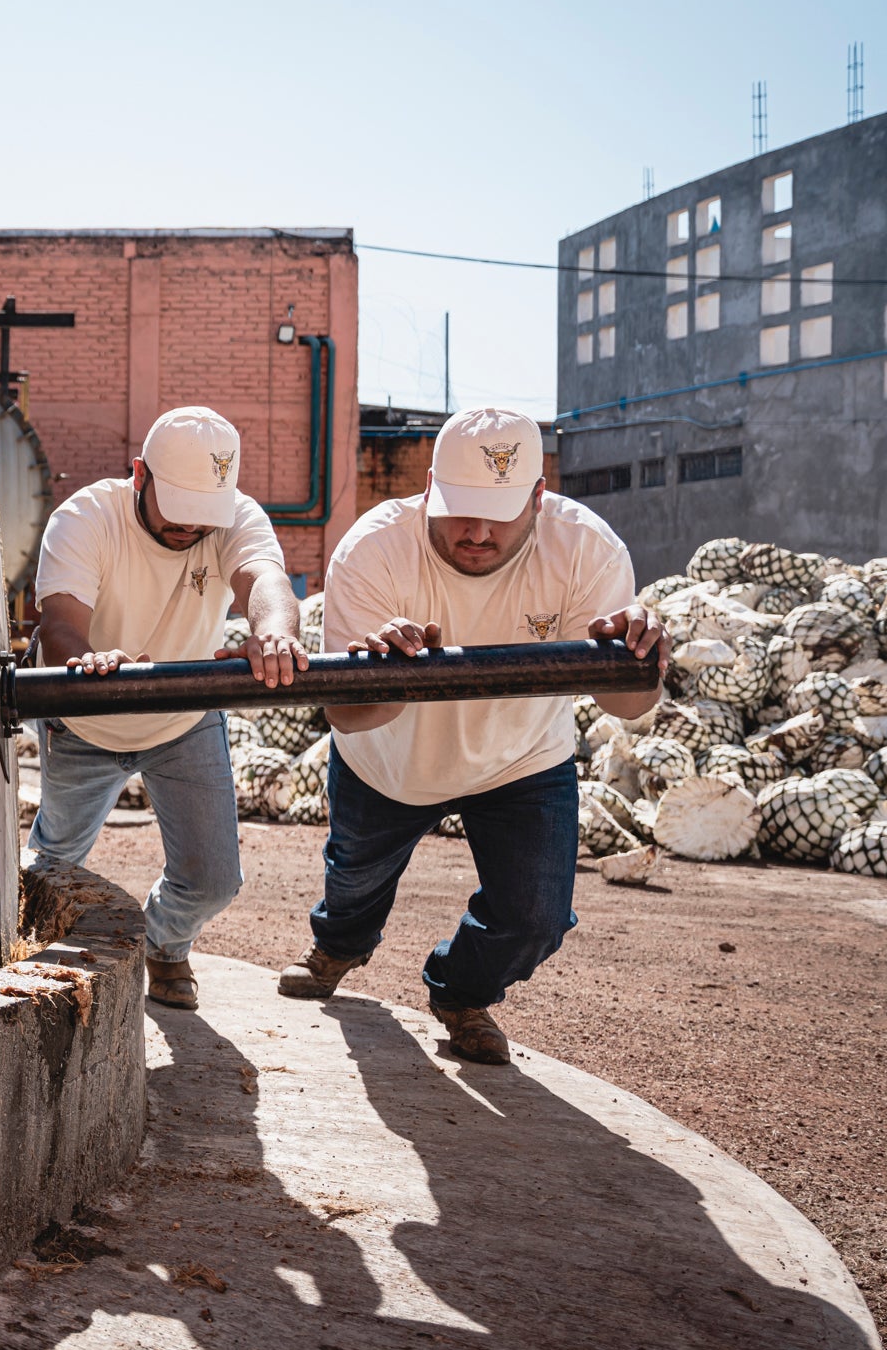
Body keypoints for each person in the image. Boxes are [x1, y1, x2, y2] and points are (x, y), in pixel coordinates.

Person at [279, 407, 667, 1064]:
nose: (478, 533)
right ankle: (340, 945)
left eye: (500, 514)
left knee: (536, 918)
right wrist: (389, 674)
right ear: (430, 487)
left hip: (521, 757)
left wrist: (640, 659)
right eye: (461, 510)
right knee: (353, 884)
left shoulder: (586, 549)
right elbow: (345, 715)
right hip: (390, 760)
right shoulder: (372, 549)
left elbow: (627, 705)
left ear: (538, 497)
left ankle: (461, 992)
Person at [27, 406, 308, 1010]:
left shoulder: (234, 518)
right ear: (139, 475)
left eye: (204, 513)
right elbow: (61, 624)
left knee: (213, 881)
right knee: (51, 866)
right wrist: (87, 662)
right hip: (86, 720)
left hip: (184, 716)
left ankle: (162, 943)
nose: (190, 527)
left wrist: (274, 632)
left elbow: (265, 581)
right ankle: (30, 958)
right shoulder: (84, 517)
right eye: (178, 508)